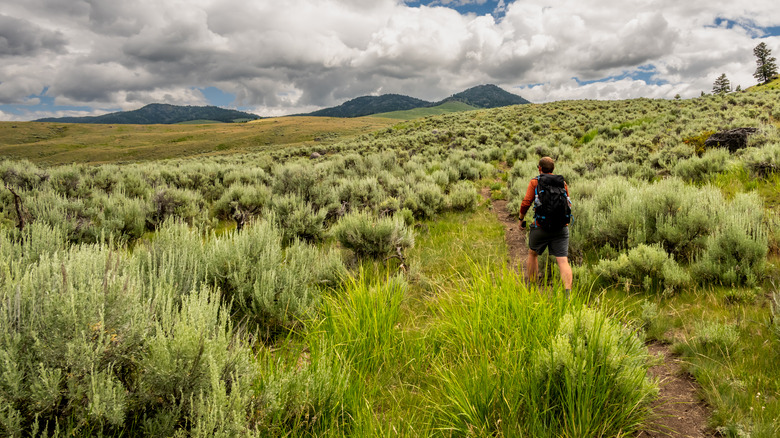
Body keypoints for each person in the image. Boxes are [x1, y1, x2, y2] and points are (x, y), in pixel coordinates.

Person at [518, 157, 573, 296]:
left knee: (533, 253)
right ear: (553, 169)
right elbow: (568, 204)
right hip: (561, 228)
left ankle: (532, 288)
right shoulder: (563, 183)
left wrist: (521, 219)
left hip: (540, 227)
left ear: (539, 168)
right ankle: (568, 295)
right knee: (563, 260)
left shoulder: (535, 182)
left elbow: (526, 203)